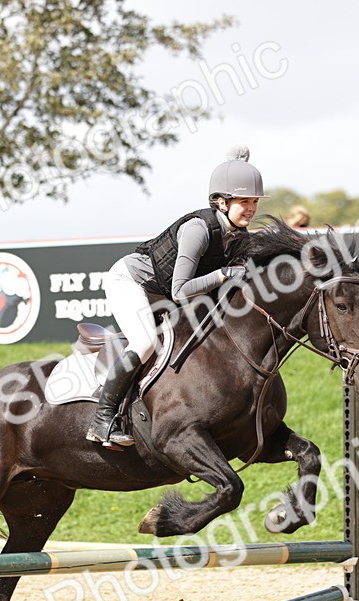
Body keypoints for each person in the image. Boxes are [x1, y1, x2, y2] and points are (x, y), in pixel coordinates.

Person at [85, 145, 267, 447]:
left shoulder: (239, 236)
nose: (250, 208)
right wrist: (223, 275)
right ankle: (101, 419)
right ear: (221, 202)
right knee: (145, 342)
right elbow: (180, 290)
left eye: (254, 201)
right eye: (244, 201)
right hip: (132, 282)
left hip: (165, 294)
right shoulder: (198, 229)